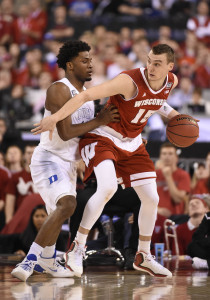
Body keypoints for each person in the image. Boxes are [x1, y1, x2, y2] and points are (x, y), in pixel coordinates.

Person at [32, 43, 184, 278]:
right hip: (104, 137)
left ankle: (143, 255)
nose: (151, 67)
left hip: (132, 142)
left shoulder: (171, 82)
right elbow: (86, 95)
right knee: (108, 187)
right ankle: (77, 248)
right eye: (149, 61)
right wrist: (55, 118)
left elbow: (157, 101)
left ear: (170, 67)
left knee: (152, 198)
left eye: (157, 64)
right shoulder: (128, 80)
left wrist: (176, 117)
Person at [11, 40, 119, 282]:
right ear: (70, 65)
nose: (90, 65)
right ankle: (30, 261)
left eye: (91, 60)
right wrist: (100, 121)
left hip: (68, 164)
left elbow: (88, 132)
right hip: (49, 159)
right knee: (67, 205)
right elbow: (67, 132)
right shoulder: (59, 89)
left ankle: (48, 260)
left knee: (60, 214)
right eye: (84, 60)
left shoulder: (87, 97)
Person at [156, 142, 191, 218]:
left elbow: (177, 199)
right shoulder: (153, 174)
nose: (167, 157)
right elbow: (146, 199)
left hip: (176, 218)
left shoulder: (183, 175)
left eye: (170, 154)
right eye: (164, 154)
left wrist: (168, 177)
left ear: (176, 157)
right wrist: (157, 210)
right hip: (155, 217)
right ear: (160, 157)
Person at [187, 195, 210, 269]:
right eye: (191, 203)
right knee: (192, 246)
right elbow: (196, 237)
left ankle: (207, 264)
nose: (193, 204)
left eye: (197, 202)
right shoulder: (208, 216)